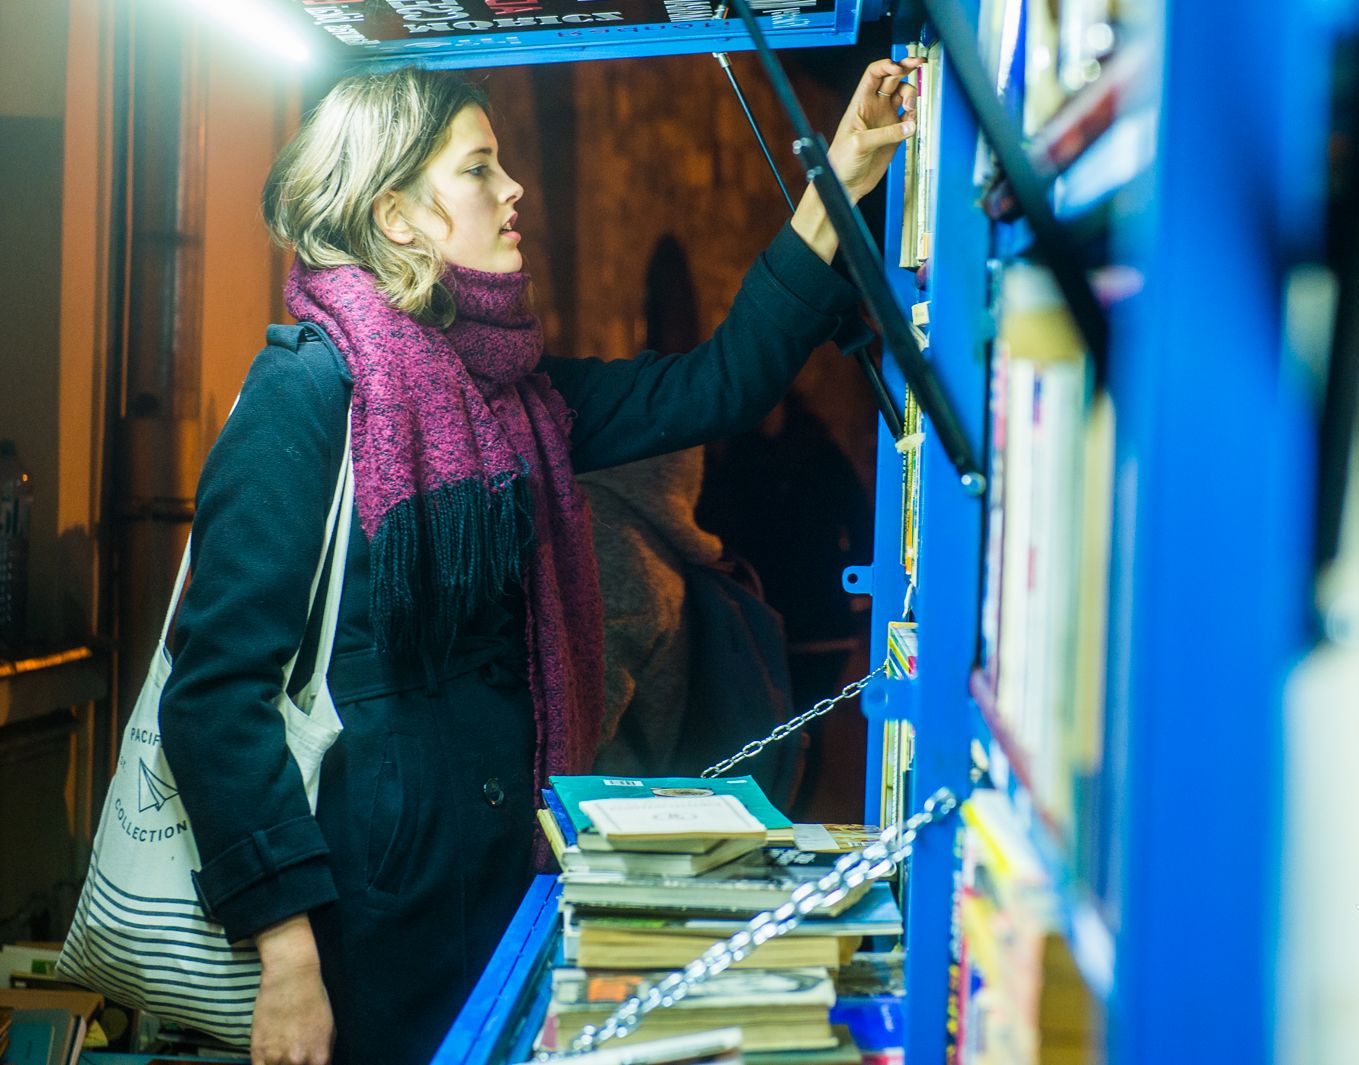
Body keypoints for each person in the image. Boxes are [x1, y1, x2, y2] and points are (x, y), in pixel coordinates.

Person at [154, 57, 920, 1065]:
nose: (512, 189)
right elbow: (212, 695)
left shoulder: (519, 397)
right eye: (479, 169)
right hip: (362, 932)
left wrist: (843, 180)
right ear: (398, 216)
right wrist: (287, 955)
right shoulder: (309, 393)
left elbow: (714, 387)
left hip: (511, 899)